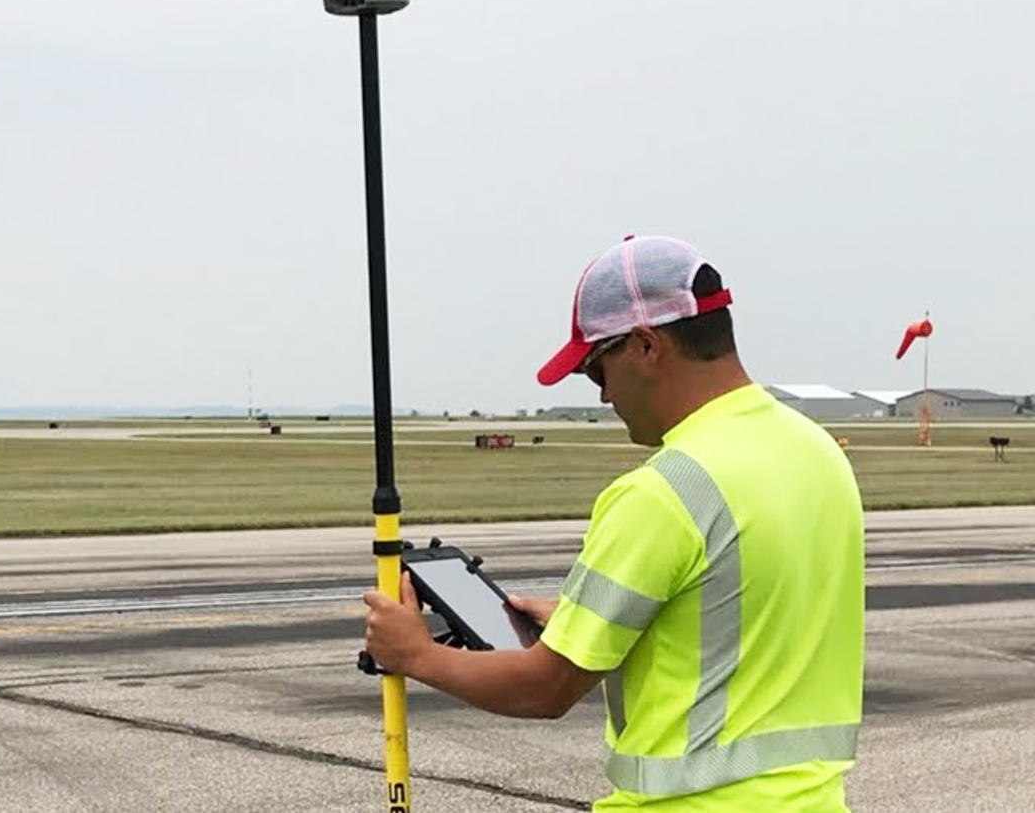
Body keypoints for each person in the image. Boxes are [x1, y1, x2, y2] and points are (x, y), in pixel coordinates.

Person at [364, 235, 864, 811]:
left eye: (597, 368)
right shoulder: (818, 453)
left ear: (646, 345)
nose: (603, 394)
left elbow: (547, 689)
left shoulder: (665, 490)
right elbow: (755, 612)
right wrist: (595, 622)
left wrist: (416, 654)